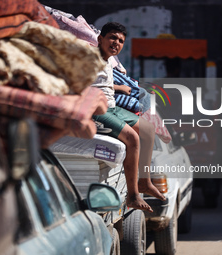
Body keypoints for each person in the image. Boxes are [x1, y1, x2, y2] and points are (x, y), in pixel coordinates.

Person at [92, 22, 165, 212]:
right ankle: (133, 196)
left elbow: (100, 83)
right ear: (100, 39)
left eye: (121, 41)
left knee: (148, 129)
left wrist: (117, 88)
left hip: (112, 107)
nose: (116, 43)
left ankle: (144, 181)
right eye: (112, 38)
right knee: (133, 138)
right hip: (97, 111)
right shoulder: (87, 58)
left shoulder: (108, 61)